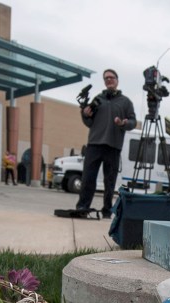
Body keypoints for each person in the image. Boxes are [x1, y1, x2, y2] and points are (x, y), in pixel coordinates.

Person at [75, 69, 137, 218]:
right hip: (94, 144)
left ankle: (107, 210)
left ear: (117, 80)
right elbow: (89, 122)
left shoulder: (125, 102)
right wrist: (84, 114)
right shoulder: (98, 100)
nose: (109, 80)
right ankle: (83, 206)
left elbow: (133, 122)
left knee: (110, 181)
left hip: (113, 146)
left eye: (111, 77)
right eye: (106, 78)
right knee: (88, 178)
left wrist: (124, 123)